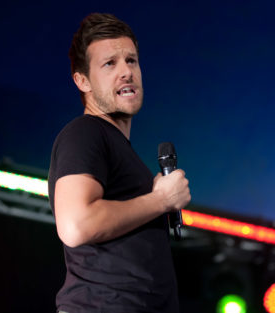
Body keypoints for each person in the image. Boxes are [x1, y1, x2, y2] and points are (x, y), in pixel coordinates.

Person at [48, 13, 191, 313]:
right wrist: (161, 199)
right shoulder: (85, 133)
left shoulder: (119, 149)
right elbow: (76, 224)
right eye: (109, 63)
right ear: (82, 80)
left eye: (132, 60)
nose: (126, 71)